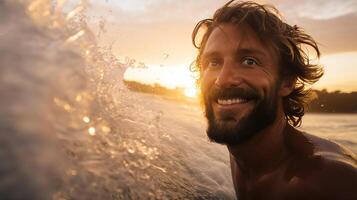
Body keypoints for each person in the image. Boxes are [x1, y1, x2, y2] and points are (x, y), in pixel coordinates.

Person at [191, 1, 357, 199]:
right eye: (214, 62)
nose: (223, 79)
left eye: (249, 61)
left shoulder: (325, 182)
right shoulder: (243, 149)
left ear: (286, 81)